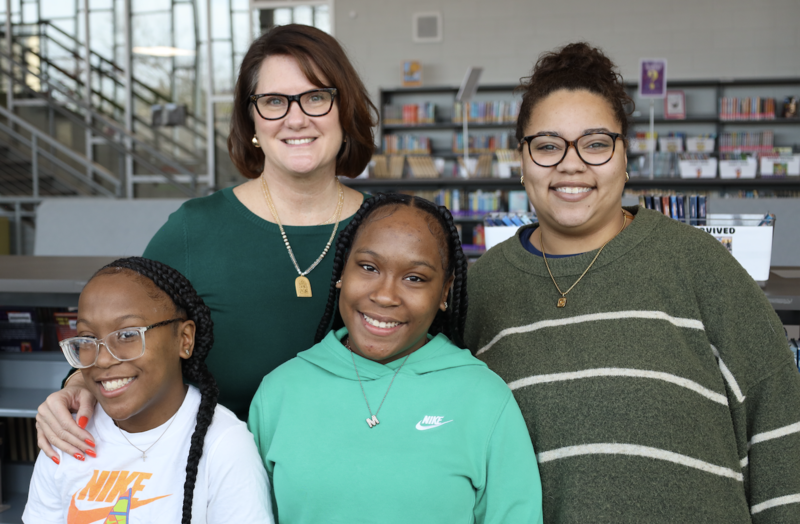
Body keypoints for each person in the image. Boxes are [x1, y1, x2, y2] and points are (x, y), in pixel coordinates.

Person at [465, 42, 800, 522]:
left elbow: (779, 422)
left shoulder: (698, 263)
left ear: (626, 158)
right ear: (521, 161)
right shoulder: (483, 287)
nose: (571, 163)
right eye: (547, 145)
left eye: (597, 143)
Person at [35, 24, 377, 461]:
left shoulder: (387, 230)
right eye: (274, 101)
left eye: (315, 97)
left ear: (343, 108)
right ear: (251, 118)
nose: (296, 118)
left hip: (355, 473)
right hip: (214, 478)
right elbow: (121, 333)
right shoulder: (194, 231)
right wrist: (76, 385)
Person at [248, 194, 543, 524]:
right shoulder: (280, 393)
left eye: (414, 278)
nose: (385, 295)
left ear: (445, 292)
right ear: (342, 271)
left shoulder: (485, 398)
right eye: (369, 268)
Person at [23, 257, 273, 523]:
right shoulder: (66, 435)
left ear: (184, 339)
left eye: (128, 335)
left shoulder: (224, 445)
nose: (104, 359)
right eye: (88, 339)